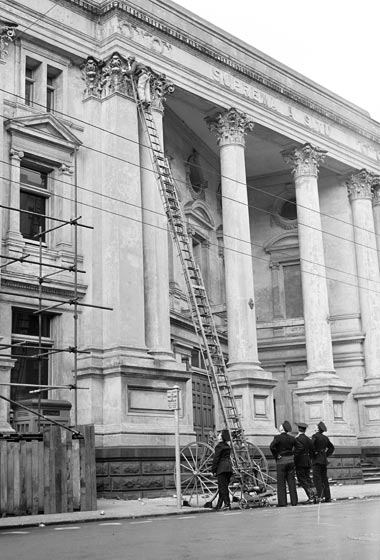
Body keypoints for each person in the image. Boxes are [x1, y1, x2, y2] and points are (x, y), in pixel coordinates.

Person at [270, 420, 299, 507]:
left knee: (281, 483)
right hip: (290, 460)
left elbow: (272, 447)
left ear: (281, 428)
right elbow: (299, 447)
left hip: (281, 461)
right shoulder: (292, 438)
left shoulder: (277, 438)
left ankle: (282, 502)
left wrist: (276, 455)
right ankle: (294, 501)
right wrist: (293, 454)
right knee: (291, 482)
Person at [311, 421, 335, 503]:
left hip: (316, 460)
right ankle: (328, 497)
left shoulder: (314, 436)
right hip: (323, 460)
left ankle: (320, 496)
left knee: (317, 479)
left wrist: (313, 455)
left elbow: (311, 446)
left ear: (317, 429)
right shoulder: (325, 438)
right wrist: (325, 454)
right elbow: (331, 448)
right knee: (324, 479)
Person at [294, 422, 317, 504]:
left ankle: (311, 496)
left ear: (298, 429)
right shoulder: (308, 439)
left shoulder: (297, 439)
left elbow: (296, 452)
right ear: (305, 430)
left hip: (300, 461)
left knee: (302, 480)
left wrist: (295, 461)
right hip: (307, 461)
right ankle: (315, 495)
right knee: (308, 479)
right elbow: (312, 451)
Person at [211, 429, 233, 511]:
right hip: (229, 468)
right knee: (222, 487)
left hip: (222, 468)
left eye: (220, 434)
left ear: (222, 437)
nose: (218, 435)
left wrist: (213, 470)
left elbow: (216, 459)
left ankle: (227, 504)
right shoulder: (227, 446)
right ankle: (219, 505)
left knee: (223, 488)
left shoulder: (219, 446)